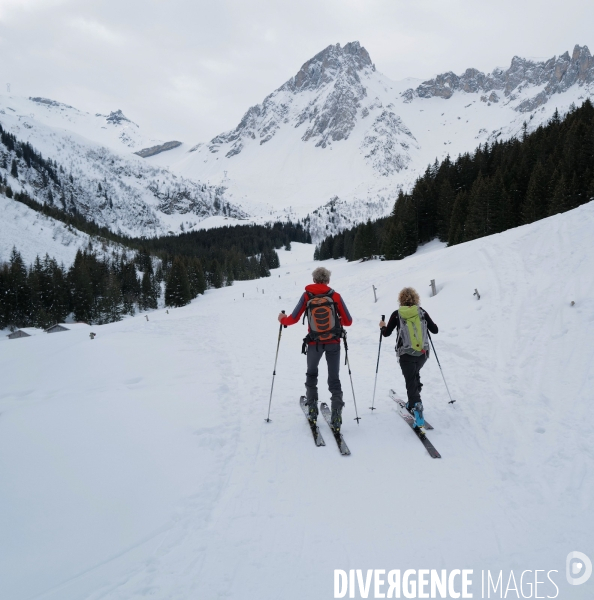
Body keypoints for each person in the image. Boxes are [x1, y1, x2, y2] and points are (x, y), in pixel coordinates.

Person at [278, 267, 352, 431]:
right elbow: (348, 321)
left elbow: (293, 319)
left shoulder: (307, 295)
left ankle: (312, 409)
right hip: (333, 342)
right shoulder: (335, 296)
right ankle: (337, 415)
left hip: (313, 343)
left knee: (312, 373)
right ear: (328, 280)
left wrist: (282, 319)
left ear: (314, 280)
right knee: (334, 378)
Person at [379, 287, 438, 431]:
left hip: (405, 354)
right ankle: (413, 400)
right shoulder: (421, 312)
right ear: (416, 298)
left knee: (410, 379)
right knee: (414, 374)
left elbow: (386, 334)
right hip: (422, 353)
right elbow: (435, 330)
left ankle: (417, 406)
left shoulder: (397, 314)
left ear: (401, 299)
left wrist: (382, 326)